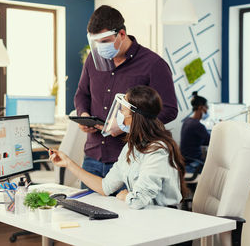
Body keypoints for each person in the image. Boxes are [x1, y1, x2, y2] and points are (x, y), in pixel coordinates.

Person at [74, 5, 178, 186]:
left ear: (121, 34)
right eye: (96, 43)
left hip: (130, 159)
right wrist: (83, 116)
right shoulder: (93, 59)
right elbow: (82, 95)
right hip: (92, 157)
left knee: (125, 213)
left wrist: (125, 126)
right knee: (86, 212)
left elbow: (169, 110)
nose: (100, 47)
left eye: (105, 41)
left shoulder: (154, 64)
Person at [51, 86, 187, 209]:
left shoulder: (157, 151)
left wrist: (125, 196)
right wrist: (68, 163)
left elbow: (138, 201)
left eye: (122, 109)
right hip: (144, 217)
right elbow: (105, 187)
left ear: (134, 116)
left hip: (164, 220)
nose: (119, 114)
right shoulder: (131, 147)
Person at [180, 91, 210, 173]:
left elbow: (197, 140)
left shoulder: (187, 121)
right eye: (206, 107)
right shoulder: (197, 125)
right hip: (193, 164)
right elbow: (210, 141)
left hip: (186, 162)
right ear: (200, 107)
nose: (207, 110)